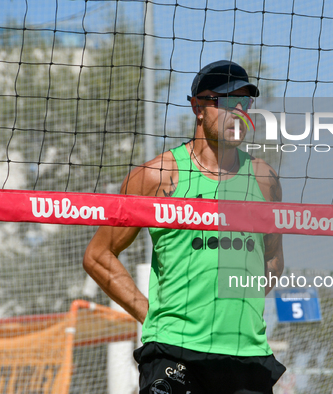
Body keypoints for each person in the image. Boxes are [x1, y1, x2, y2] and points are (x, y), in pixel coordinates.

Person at [83, 60, 285, 394]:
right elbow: (98, 255)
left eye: (244, 102)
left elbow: (273, 259)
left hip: (246, 354)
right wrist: (151, 316)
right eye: (225, 101)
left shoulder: (264, 180)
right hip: (173, 351)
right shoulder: (156, 176)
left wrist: (237, 302)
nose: (238, 111)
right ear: (198, 107)